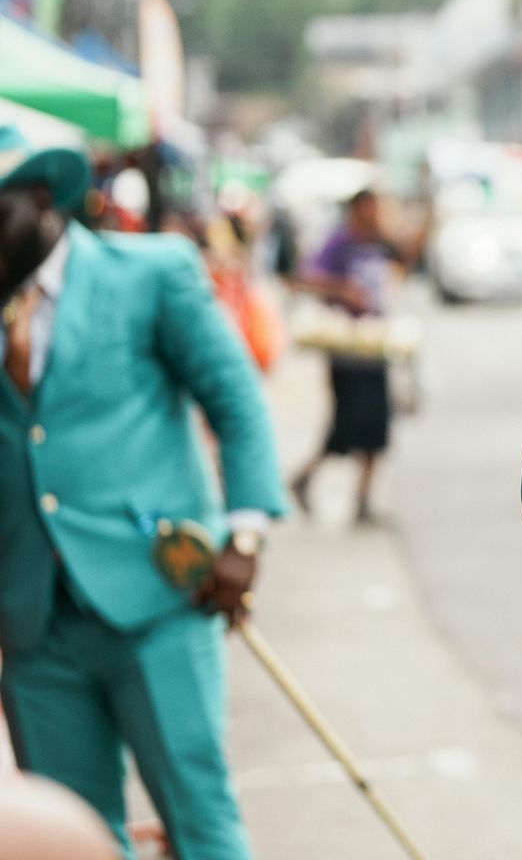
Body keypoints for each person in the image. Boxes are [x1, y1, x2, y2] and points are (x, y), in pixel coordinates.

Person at [0, 125, 283, 860]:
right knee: (72, 839)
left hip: (160, 600)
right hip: (34, 625)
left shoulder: (149, 274)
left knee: (200, 819)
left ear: (42, 199)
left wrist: (244, 535)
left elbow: (237, 401)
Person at [288, 188, 400, 525]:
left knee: (376, 429)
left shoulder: (379, 242)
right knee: (345, 428)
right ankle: (305, 476)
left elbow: (406, 257)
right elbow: (305, 278)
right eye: (371, 207)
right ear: (357, 209)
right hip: (346, 353)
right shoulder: (339, 243)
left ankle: (363, 500)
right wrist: (343, 290)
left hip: (375, 348)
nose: (376, 213)